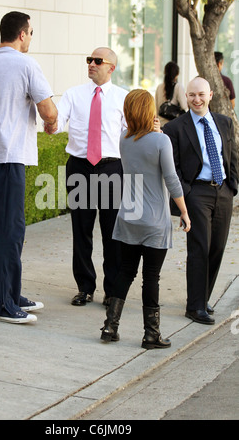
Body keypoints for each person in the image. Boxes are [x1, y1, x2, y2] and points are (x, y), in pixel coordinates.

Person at [0, 11, 58, 324]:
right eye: (31, 33)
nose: (31, 38)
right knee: (7, 231)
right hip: (8, 159)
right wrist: (52, 120)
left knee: (11, 229)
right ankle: (0, 304)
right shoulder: (26, 64)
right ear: (21, 34)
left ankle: (11, 292)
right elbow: (48, 108)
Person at [100, 89, 190, 349]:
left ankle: (110, 326)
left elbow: (140, 145)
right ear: (149, 111)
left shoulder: (123, 140)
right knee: (151, 277)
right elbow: (171, 179)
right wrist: (183, 211)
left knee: (125, 272)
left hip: (128, 216)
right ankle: (151, 334)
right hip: (153, 220)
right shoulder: (161, 141)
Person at [44, 48, 128, 307]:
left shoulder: (123, 98)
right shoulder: (73, 94)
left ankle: (113, 291)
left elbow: (134, 132)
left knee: (111, 232)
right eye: (89, 60)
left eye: (97, 61)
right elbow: (57, 122)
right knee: (81, 230)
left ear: (111, 67)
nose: (91, 64)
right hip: (79, 167)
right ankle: (84, 287)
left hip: (111, 168)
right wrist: (50, 123)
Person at [163, 77, 238, 325]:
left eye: (201, 95)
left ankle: (202, 298)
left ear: (211, 95)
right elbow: (171, 167)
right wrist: (186, 193)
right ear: (186, 97)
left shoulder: (225, 123)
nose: (197, 99)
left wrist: (232, 186)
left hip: (223, 191)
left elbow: (232, 155)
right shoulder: (175, 128)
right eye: (192, 95)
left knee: (217, 247)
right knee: (200, 248)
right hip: (196, 193)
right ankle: (194, 307)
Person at [155, 61, 187, 127]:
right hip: (173, 125)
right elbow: (184, 107)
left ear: (164, 72)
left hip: (161, 125)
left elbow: (156, 108)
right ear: (177, 74)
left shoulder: (159, 87)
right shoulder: (178, 87)